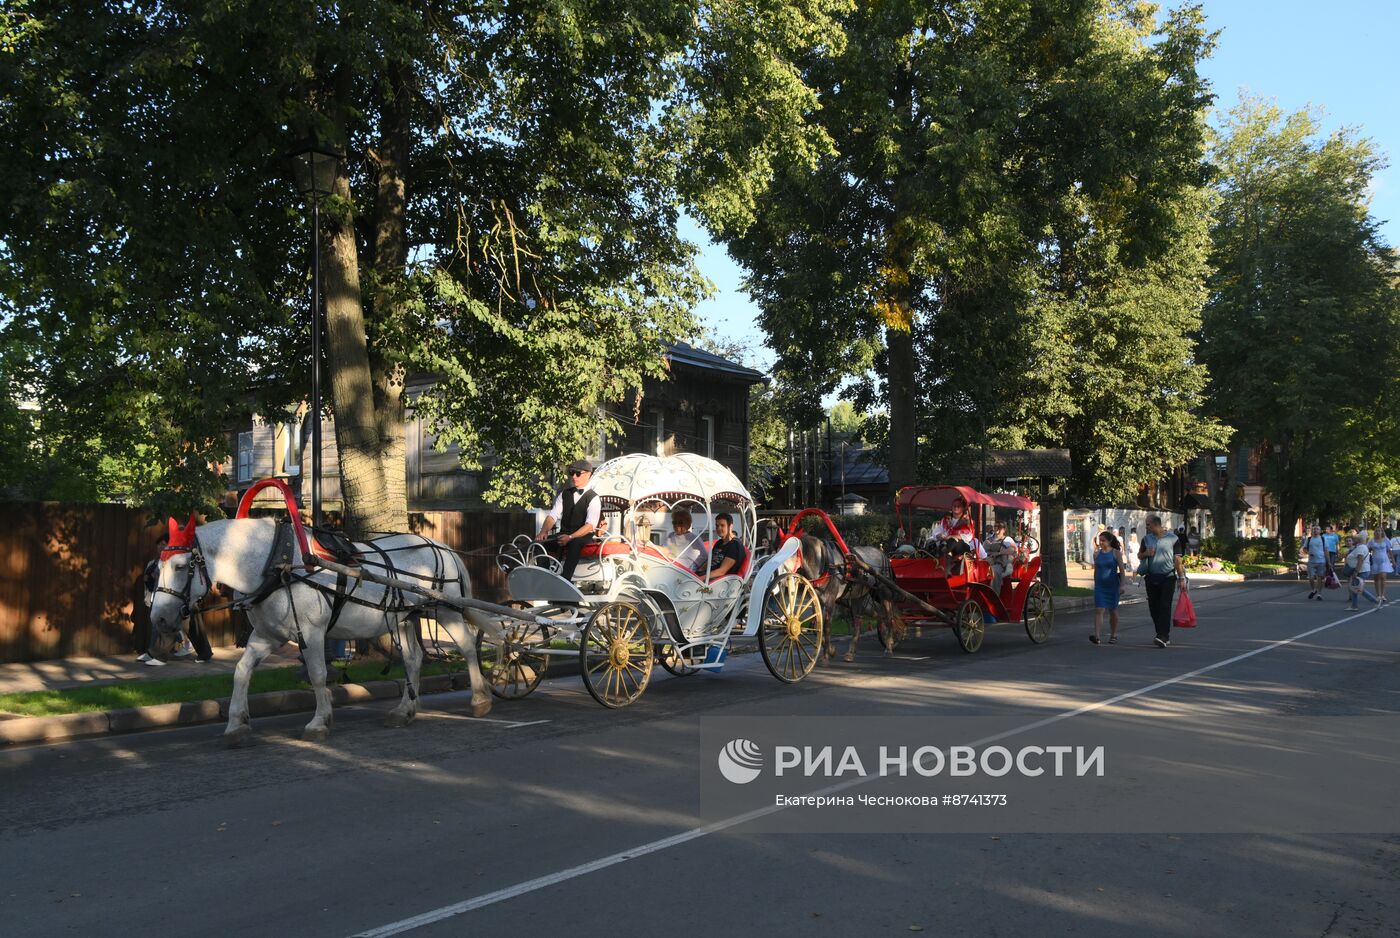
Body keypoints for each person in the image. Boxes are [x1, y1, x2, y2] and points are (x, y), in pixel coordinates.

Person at [138, 540, 211, 665]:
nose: (160, 547)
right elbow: (149, 578)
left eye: (163, 544)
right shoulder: (157, 562)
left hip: (180, 598)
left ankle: (159, 656)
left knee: (174, 625)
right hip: (166, 597)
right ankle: (204, 653)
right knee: (190, 626)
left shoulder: (179, 560)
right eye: (158, 544)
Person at [536, 459, 599, 580]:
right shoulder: (564, 494)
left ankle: (566, 580)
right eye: (572, 473)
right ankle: (543, 576)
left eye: (578, 473)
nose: (574, 477)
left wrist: (570, 537)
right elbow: (552, 516)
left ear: (588, 475)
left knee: (575, 544)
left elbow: (590, 525)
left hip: (582, 536)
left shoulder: (594, 498)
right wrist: (543, 531)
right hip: (564, 534)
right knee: (540, 544)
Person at [1140, 514, 1186, 648]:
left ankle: (1163, 636)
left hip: (1168, 577)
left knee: (1165, 606)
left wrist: (1181, 578)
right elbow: (1139, 554)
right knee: (1154, 607)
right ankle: (1161, 633)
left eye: (1148, 524)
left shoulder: (1173, 538)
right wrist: (1145, 554)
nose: (1146, 527)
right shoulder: (1146, 539)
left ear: (1155, 524)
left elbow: (1178, 560)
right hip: (1151, 576)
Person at [1090, 531, 1126, 645]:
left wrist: (1122, 585)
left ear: (1109, 541)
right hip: (1100, 586)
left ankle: (1113, 634)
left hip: (1113, 585)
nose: (1100, 543)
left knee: (1113, 610)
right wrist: (1095, 583)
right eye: (1099, 540)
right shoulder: (1096, 554)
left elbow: (1121, 569)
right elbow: (1096, 570)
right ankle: (1097, 636)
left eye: (1103, 540)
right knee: (1099, 609)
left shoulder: (1116, 553)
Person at [664, 508, 708, 573]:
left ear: (687, 524)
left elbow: (704, 556)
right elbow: (663, 550)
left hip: (685, 572)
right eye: (674, 522)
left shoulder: (694, 538)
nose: (676, 525)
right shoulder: (671, 536)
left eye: (680, 523)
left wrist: (695, 568)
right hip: (670, 568)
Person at [1344, 534, 1380, 611]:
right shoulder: (1362, 547)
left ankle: (1375, 601)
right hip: (1363, 570)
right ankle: (1354, 606)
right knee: (1355, 587)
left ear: (1358, 540)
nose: (1353, 540)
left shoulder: (1361, 548)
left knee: (1359, 588)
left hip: (1361, 570)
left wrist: (1356, 572)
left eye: (1355, 539)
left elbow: (1360, 560)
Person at [706, 513, 747, 578]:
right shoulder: (719, 543)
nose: (719, 528)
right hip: (707, 576)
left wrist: (701, 577)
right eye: (717, 526)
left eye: (722, 525)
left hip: (719, 582)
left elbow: (722, 571)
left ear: (730, 526)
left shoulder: (735, 544)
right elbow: (709, 562)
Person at [989, 521, 1017, 595]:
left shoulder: (1007, 539)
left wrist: (999, 553)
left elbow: (1013, 549)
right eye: (995, 526)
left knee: (994, 570)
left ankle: (994, 595)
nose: (997, 528)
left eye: (1000, 527)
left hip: (1002, 564)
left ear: (1004, 530)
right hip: (989, 561)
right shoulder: (989, 539)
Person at [1302, 525, 1328, 600]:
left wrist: (1328, 561)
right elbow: (1304, 549)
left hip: (1321, 561)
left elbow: (1326, 550)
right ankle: (1314, 590)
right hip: (1311, 561)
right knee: (1311, 577)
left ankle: (1319, 594)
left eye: (1317, 529)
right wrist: (1308, 552)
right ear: (1312, 531)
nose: (1315, 530)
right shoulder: (1309, 539)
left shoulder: (1323, 539)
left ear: (1320, 531)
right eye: (1314, 529)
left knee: (1320, 578)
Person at [1367, 528, 1391, 604]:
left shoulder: (1385, 540)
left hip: (1384, 560)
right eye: (1376, 531)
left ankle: (1383, 595)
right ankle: (1378, 595)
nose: (1378, 532)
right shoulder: (1372, 540)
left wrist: (1393, 561)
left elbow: (1389, 549)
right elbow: (1367, 549)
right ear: (1375, 532)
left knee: (1383, 577)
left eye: (1379, 531)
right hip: (1375, 560)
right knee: (1376, 578)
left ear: (1382, 532)